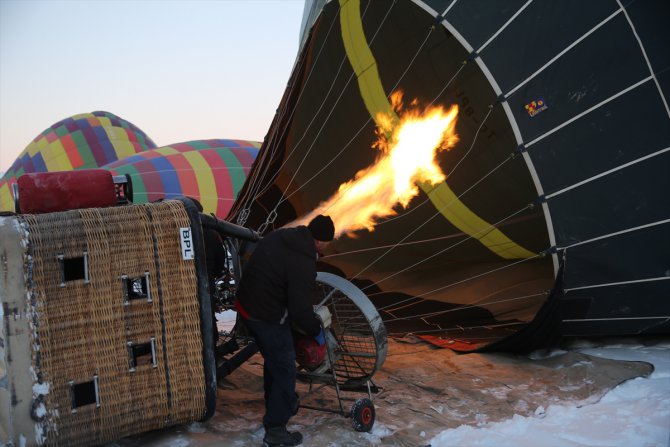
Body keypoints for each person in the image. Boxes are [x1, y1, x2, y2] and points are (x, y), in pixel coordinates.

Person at [235, 215, 335, 447]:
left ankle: (277, 402)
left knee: (275, 359)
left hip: (247, 305)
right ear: (320, 242)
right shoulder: (303, 261)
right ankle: (276, 429)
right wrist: (315, 330)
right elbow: (299, 310)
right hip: (267, 315)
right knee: (285, 368)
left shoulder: (283, 235)